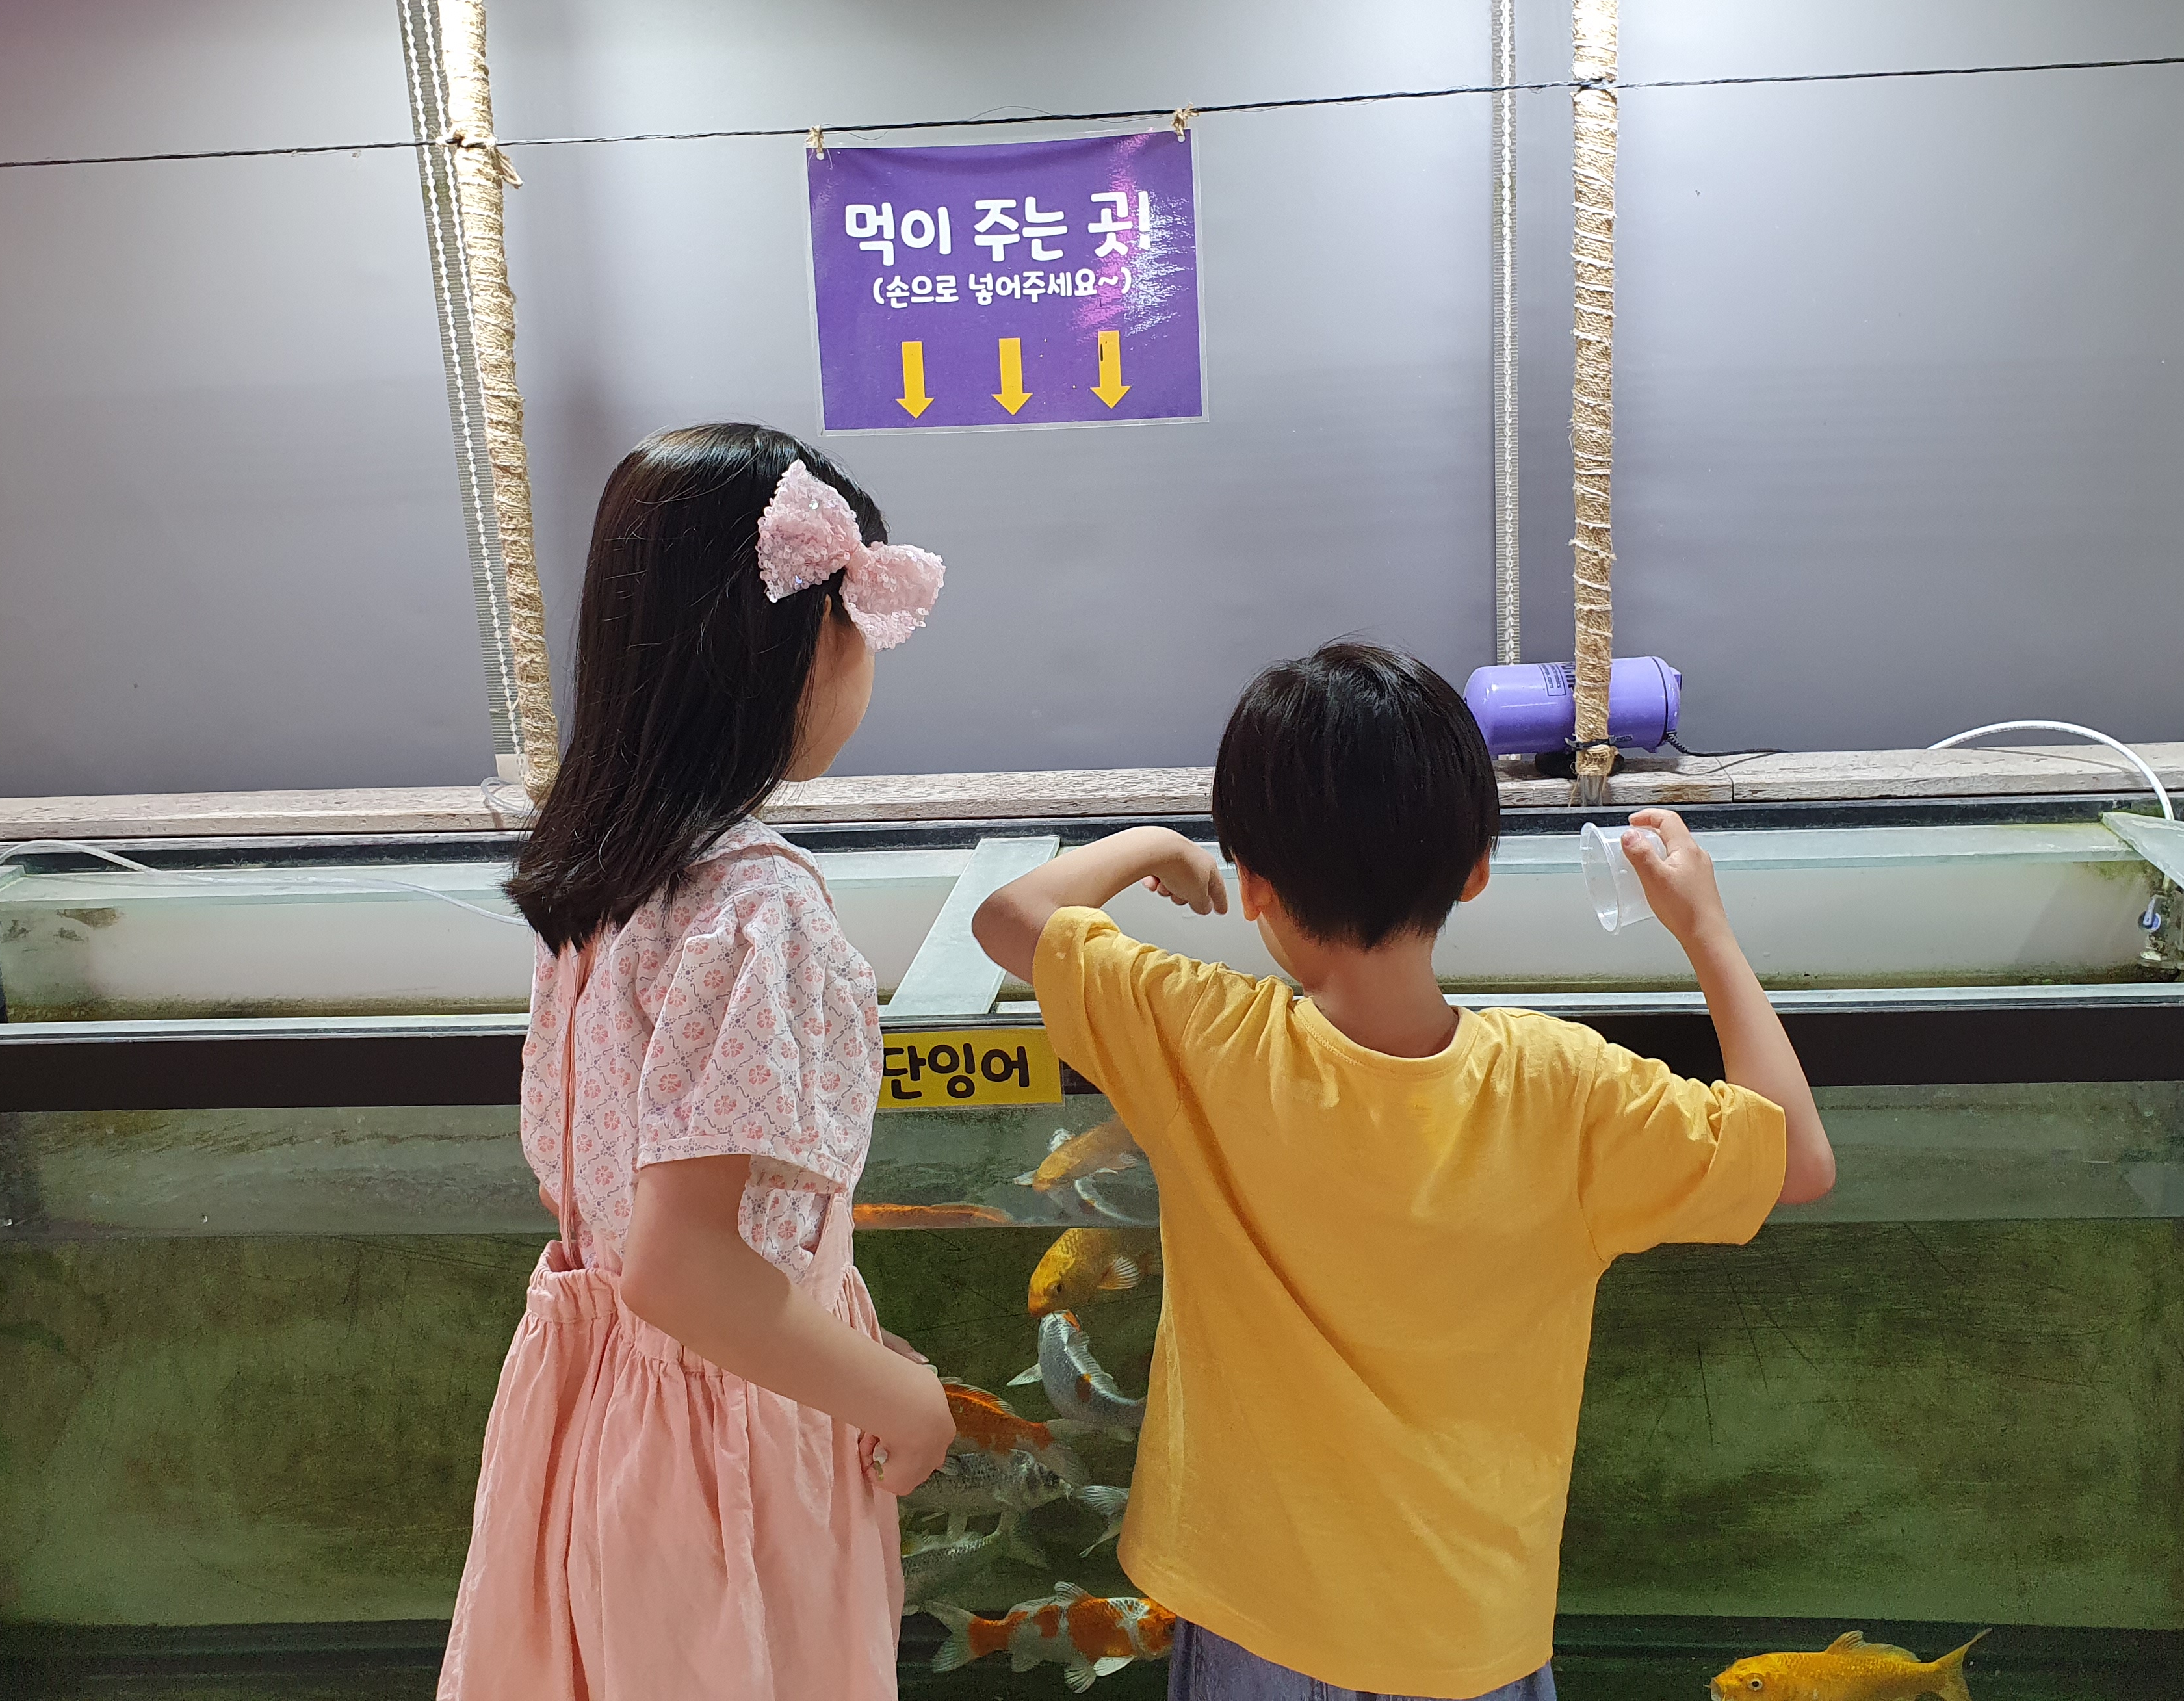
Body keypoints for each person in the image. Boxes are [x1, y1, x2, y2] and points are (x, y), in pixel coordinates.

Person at [972, 642, 1836, 1701]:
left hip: (1257, 1615)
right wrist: (1704, 926)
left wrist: (1158, 842)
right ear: (1476, 869)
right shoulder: (1566, 1087)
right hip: (1466, 1632)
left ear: (1256, 889)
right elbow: (1796, 1159)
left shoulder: (1205, 1038)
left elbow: (1007, 918)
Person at [439, 423, 956, 1701]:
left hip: (599, 1404)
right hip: (723, 1428)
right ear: (807, 643)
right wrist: (906, 1400)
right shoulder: (757, 908)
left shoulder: (606, 881)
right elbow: (687, 1266)